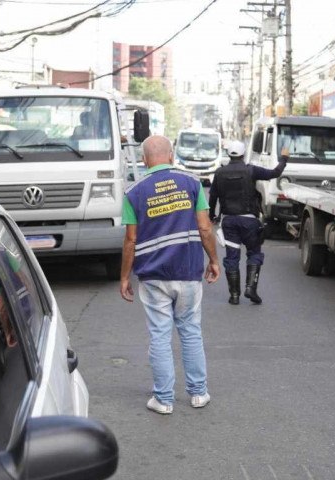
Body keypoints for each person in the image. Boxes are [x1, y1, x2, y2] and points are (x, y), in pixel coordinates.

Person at [120, 135, 220, 415]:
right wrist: (213, 260)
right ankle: (198, 393)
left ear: (143, 159)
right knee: (190, 331)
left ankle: (163, 400)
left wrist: (125, 276)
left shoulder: (134, 192)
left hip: (153, 276)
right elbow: (204, 228)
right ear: (172, 156)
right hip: (188, 271)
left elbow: (130, 240)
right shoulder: (191, 183)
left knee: (160, 335)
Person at [208, 140, 287, 305]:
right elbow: (275, 173)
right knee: (254, 253)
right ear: (243, 154)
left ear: (229, 154)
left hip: (229, 221)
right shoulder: (251, 170)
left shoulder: (220, 173)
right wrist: (284, 159)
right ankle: (251, 288)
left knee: (232, 257)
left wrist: (212, 216)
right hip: (250, 221)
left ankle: (234, 295)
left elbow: (213, 196)